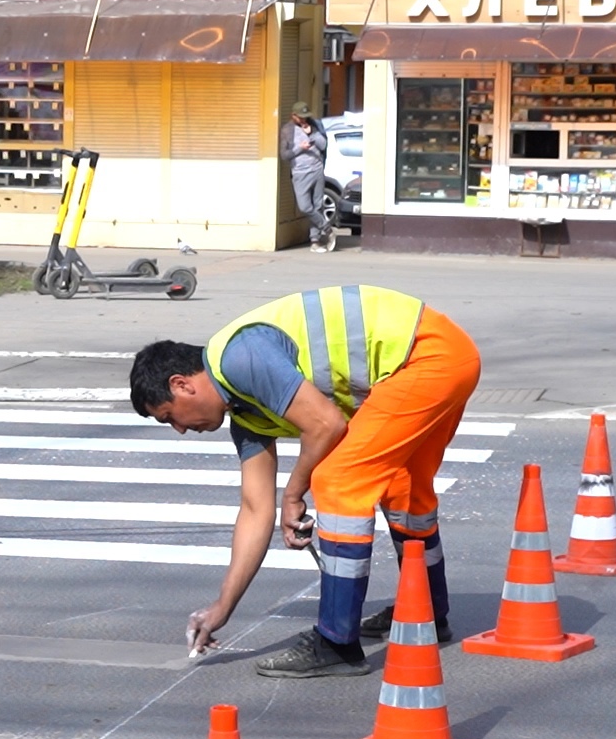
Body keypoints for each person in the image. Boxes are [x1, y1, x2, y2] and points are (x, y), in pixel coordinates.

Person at [128, 285, 480, 677]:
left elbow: (326, 424)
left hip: (425, 357)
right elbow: (255, 510)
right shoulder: (246, 414)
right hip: (441, 356)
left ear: (181, 385)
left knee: (338, 481)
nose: (178, 429)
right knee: (403, 488)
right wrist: (221, 608)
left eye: (169, 416)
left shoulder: (239, 357)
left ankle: (336, 644)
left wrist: (294, 493)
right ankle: (428, 611)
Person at [280, 102, 333, 252]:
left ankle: (315, 241)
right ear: (294, 116)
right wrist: (300, 148)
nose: (304, 120)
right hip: (300, 172)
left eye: (306, 117)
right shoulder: (287, 130)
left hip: (317, 168)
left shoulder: (314, 125)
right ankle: (326, 227)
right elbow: (284, 155)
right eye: (301, 117)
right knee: (305, 207)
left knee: (318, 205)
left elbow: (324, 145)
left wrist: (312, 134)